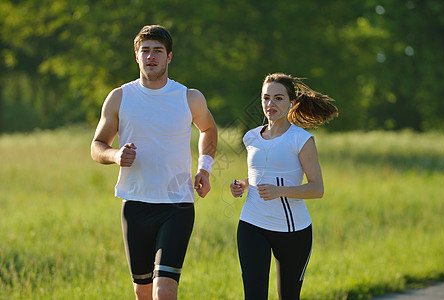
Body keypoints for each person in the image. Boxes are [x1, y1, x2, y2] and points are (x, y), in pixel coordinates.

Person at [91, 25, 217, 300]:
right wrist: (115, 155)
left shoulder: (189, 97)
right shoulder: (119, 97)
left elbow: (208, 129)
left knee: (165, 289)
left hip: (177, 205)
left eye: (157, 51)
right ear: (136, 56)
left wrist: (204, 169)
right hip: (135, 205)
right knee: (143, 291)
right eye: (145, 50)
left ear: (169, 56)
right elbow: (97, 146)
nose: (151, 56)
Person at [230, 73, 338, 299]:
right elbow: (260, 176)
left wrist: (280, 191)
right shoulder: (251, 138)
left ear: (292, 102)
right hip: (252, 224)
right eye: (266, 98)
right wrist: (243, 184)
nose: (270, 104)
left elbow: (317, 188)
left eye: (278, 98)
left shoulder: (301, 139)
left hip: (292, 232)